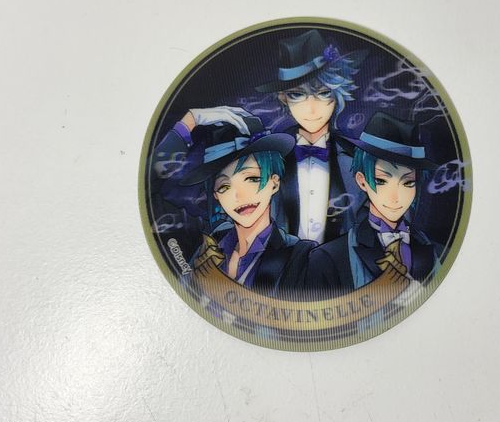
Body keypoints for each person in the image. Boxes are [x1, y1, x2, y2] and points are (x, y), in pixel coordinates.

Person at [306, 112, 443, 292]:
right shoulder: (329, 257)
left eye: (408, 182)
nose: (395, 197)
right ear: (362, 180)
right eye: (381, 181)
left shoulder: (434, 251)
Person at [180, 117, 316, 297]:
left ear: (274, 183)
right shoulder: (210, 245)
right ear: (216, 196)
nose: (239, 196)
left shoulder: (300, 254)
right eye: (224, 187)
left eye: (252, 179)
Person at [255, 29, 368, 244]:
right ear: (283, 98)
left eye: (323, 93)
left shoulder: (356, 157)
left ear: (337, 93)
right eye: (297, 95)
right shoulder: (268, 157)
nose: (311, 108)